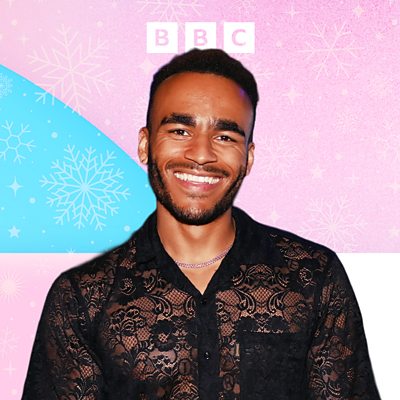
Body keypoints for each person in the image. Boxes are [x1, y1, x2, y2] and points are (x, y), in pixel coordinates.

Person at [22, 48, 381, 400]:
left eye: (225, 137)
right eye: (180, 131)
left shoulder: (313, 277)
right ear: (145, 145)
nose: (201, 154)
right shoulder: (84, 298)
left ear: (248, 158)